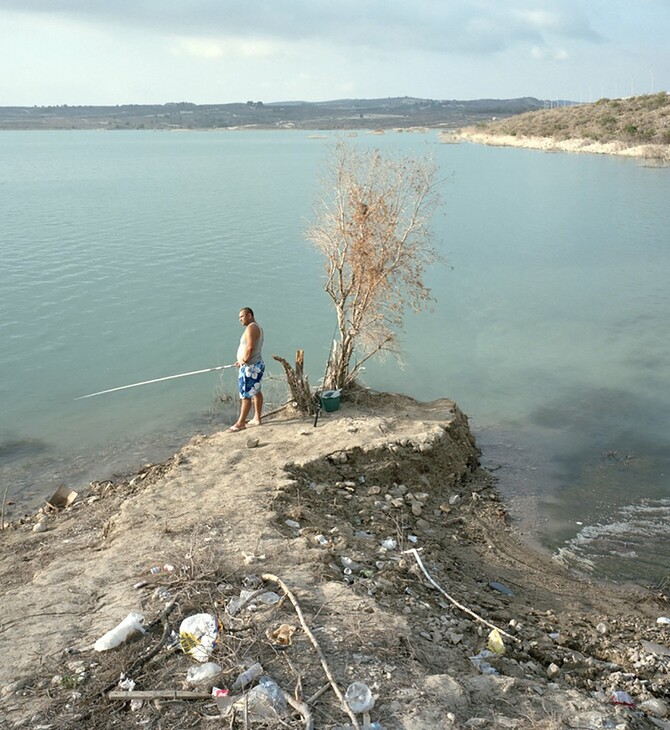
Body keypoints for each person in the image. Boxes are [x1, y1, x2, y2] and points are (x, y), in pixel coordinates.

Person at [228, 307, 264, 432]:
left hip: (250, 367)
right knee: (256, 392)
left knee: (245, 395)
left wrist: (243, 361)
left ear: (249, 315)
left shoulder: (251, 328)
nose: (240, 320)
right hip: (255, 365)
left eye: (242, 316)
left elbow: (250, 347)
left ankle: (241, 423)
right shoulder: (256, 327)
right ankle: (257, 418)